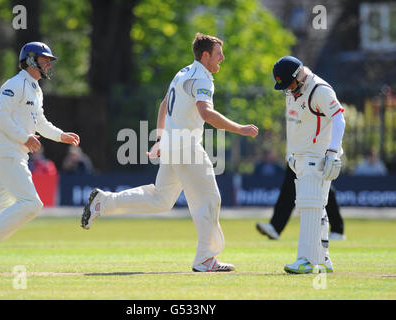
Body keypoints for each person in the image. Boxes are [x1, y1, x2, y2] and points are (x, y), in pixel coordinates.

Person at [80, 33, 259, 272]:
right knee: (210, 200)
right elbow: (206, 114)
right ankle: (206, 259)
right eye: (218, 55)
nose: (222, 59)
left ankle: (104, 201)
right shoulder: (202, 79)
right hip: (186, 147)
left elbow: (164, 103)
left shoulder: (183, 72)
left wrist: (161, 137)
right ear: (205, 56)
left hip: (174, 145)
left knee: (160, 200)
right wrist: (240, 128)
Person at [0, 42, 80, 272]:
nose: (49, 64)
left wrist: (61, 136)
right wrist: (25, 137)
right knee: (32, 203)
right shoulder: (16, 84)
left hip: (12, 153)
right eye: (44, 59)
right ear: (30, 60)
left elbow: (40, 122)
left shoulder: (35, 89)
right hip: (6, 152)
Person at [271, 56, 346, 274]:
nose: (289, 90)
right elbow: (294, 124)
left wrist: (333, 151)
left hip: (318, 156)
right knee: (314, 207)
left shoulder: (319, 90)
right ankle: (323, 260)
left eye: (290, 84)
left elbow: (339, 118)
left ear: (299, 75)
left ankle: (307, 261)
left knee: (310, 206)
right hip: (301, 157)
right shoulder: (293, 91)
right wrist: (291, 154)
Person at [256, 164, 346, 241]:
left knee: (322, 185)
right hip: (300, 150)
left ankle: (337, 228)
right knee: (291, 183)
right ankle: (275, 226)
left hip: (315, 150)